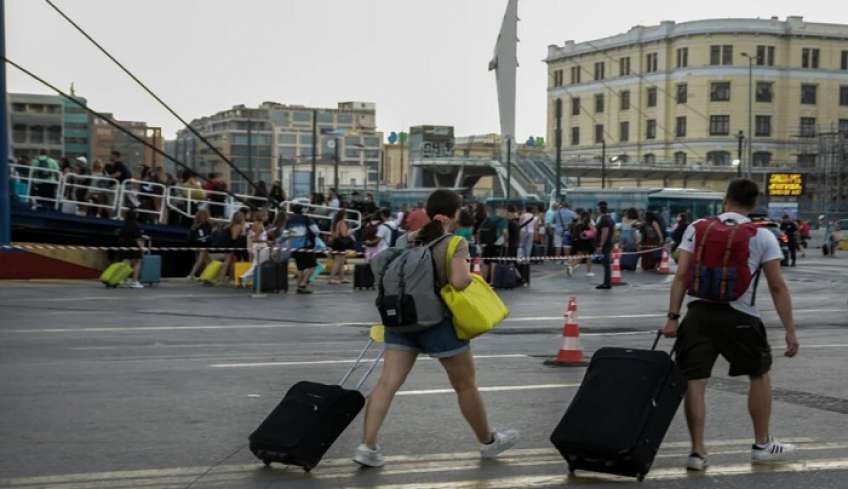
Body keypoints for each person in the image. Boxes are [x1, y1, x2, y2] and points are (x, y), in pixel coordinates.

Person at [353, 189, 519, 468]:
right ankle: (489, 442)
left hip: (401, 319)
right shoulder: (455, 243)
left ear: (429, 212)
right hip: (437, 322)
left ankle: (367, 446)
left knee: (386, 384)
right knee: (465, 385)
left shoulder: (405, 239)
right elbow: (458, 282)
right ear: (454, 214)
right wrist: (472, 277)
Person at [662, 178, 800, 472]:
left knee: (696, 382)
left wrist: (673, 318)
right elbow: (777, 287)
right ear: (754, 204)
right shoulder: (762, 237)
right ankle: (762, 444)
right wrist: (790, 330)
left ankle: (697, 452)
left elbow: (682, 275)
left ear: (725, 199)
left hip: (698, 314)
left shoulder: (697, 227)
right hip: (741, 316)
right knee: (759, 375)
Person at [284, 204, 321, 294]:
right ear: (302, 210)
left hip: (294, 246)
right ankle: (303, 284)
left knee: (300, 268)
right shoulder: (306, 218)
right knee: (313, 266)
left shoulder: (289, 220)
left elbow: (286, 234)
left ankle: (299, 287)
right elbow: (316, 231)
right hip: (305, 245)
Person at [476, 206, 509, 283]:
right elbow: (505, 233)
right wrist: (505, 242)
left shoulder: (487, 219)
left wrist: (479, 242)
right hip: (497, 243)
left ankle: (483, 281)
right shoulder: (503, 220)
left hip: (486, 243)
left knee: (486, 262)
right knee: (494, 262)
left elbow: (479, 231)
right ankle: (492, 281)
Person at [115, 209, 146, 289]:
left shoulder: (124, 225)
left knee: (126, 263)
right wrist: (142, 248)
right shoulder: (135, 225)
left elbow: (120, 235)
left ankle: (122, 280)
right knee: (137, 263)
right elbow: (138, 238)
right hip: (134, 246)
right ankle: (134, 282)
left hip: (124, 246)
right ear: (134, 215)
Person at [328, 209, 353, 284]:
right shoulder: (342, 223)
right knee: (338, 262)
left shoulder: (334, 223)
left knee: (341, 262)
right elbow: (344, 234)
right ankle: (331, 278)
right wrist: (350, 232)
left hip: (336, 243)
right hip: (341, 243)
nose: (347, 216)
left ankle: (342, 278)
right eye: (346, 214)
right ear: (343, 215)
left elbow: (333, 234)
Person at [594, 201, 616, 289]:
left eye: (597, 208)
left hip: (605, 244)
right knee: (606, 263)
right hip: (609, 243)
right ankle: (607, 282)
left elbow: (604, 233)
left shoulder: (604, 219)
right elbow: (613, 231)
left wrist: (601, 245)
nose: (596, 209)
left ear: (600, 209)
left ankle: (607, 283)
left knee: (606, 263)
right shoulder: (610, 218)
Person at [187, 209, 213, 280]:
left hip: (202, 244)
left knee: (207, 260)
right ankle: (192, 275)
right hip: (201, 244)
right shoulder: (200, 226)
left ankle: (207, 275)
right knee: (201, 260)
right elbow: (206, 235)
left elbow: (208, 235)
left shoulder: (201, 225)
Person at [569, 211, 595, 277]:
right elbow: (595, 230)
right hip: (587, 242)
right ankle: (589, 272)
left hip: (579, 242)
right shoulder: (588, 223)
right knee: (589, 257)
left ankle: (571, 266)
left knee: (580, 256)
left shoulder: (578, 223)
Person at [553, 202, 578, 267]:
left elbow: (554, 220)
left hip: (557, 230)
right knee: (566, 246)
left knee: (558, 246)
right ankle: (566, 260)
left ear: (561, 206)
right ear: (568, 206)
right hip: (567, 231)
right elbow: (576, 219)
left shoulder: (556, 212)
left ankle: (557, 260)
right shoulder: (571, 212)